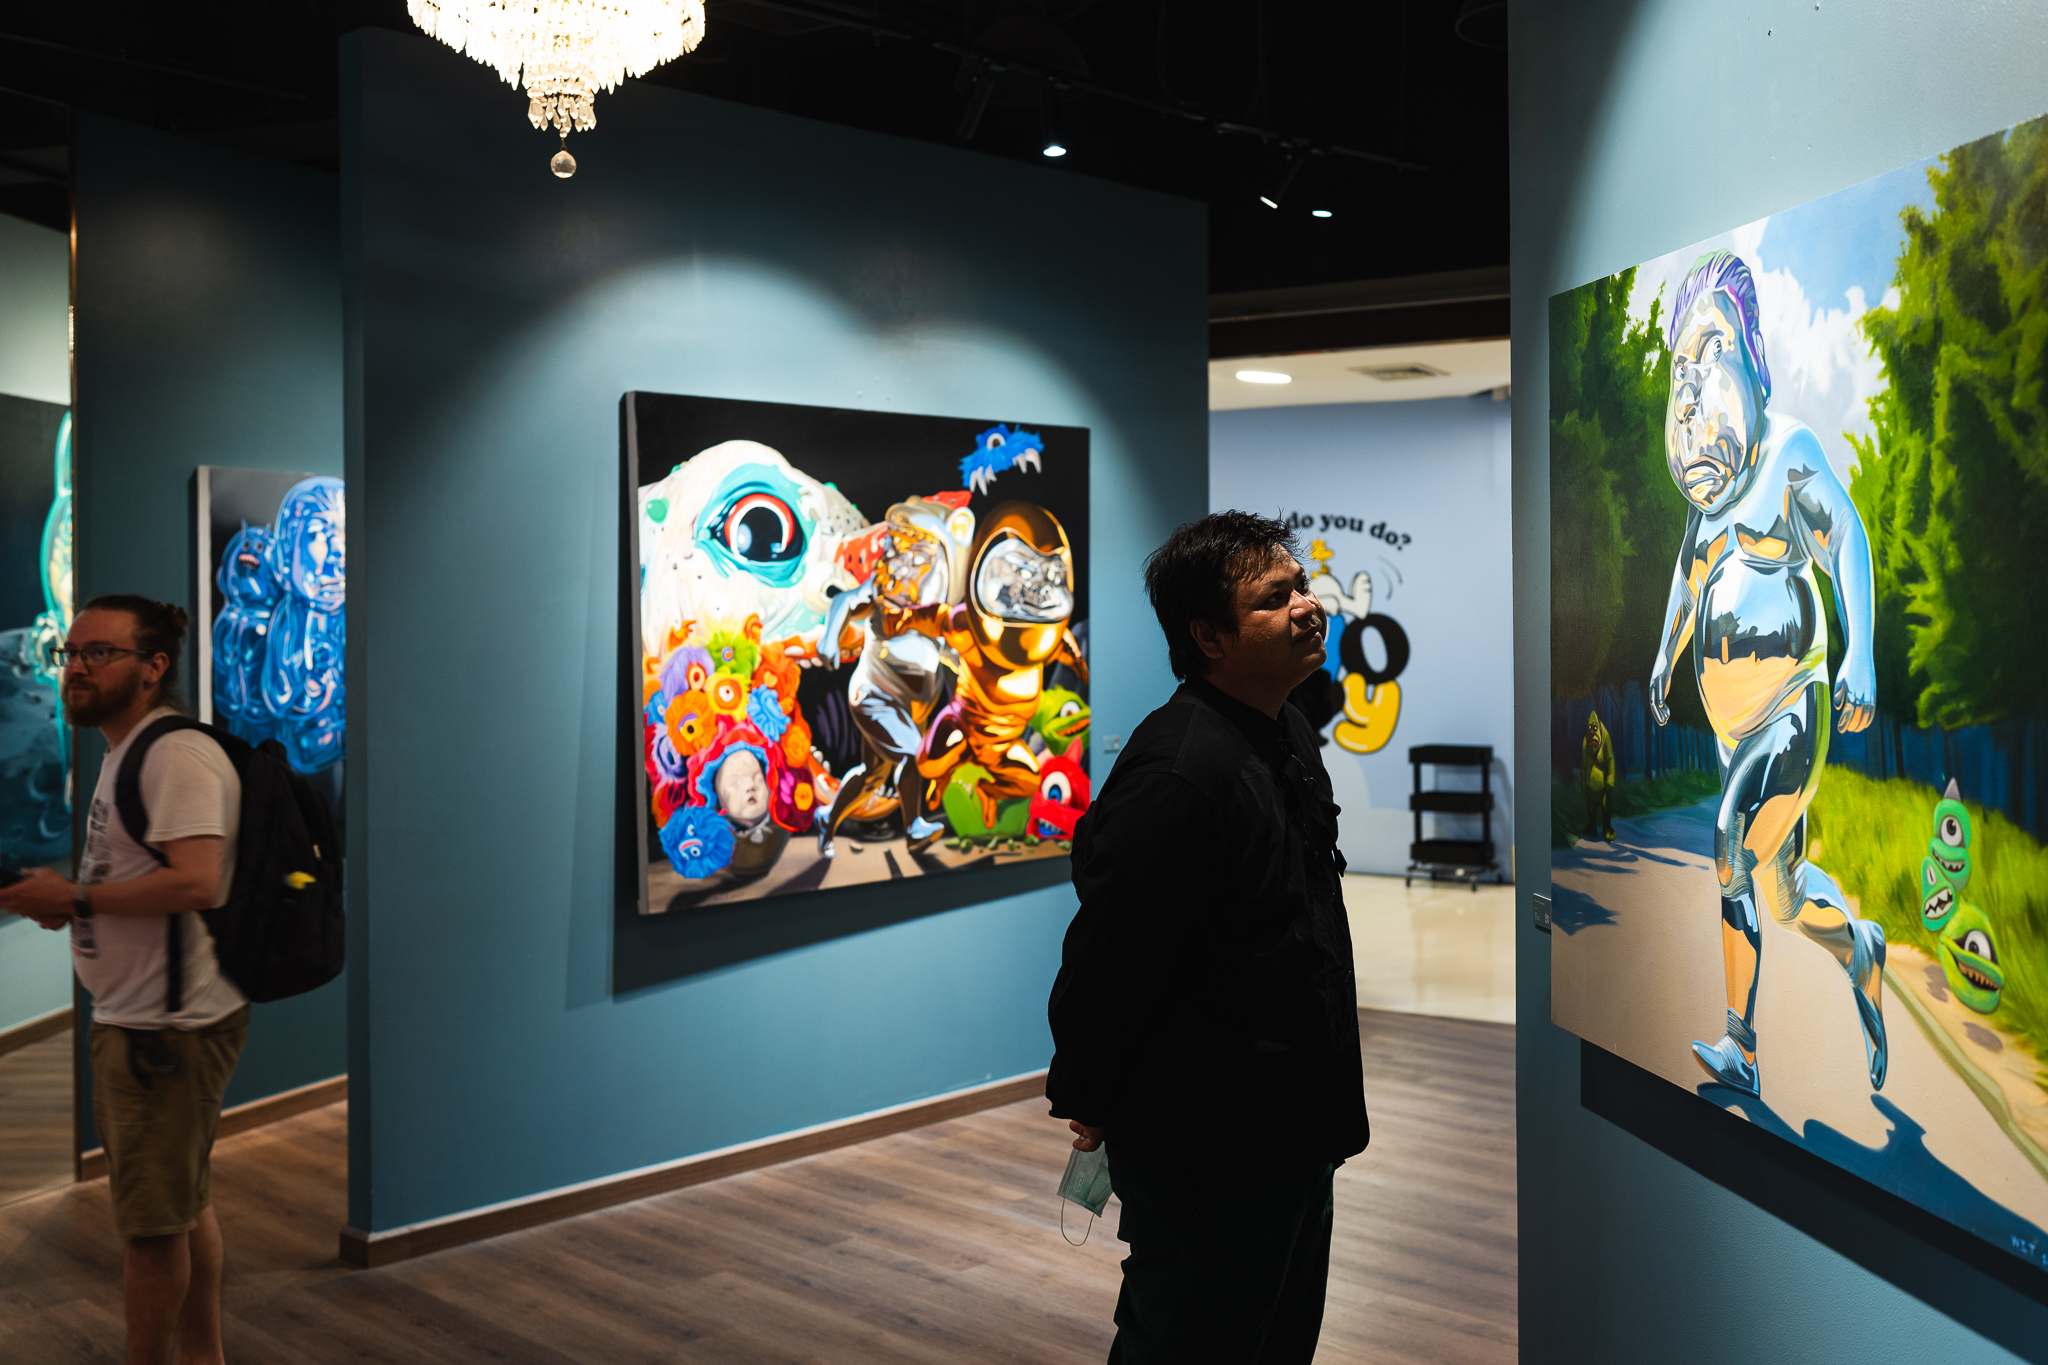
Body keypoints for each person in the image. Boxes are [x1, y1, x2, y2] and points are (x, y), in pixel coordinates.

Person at [1046, 511, 1368, 1364]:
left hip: (1297, 1131)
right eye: (1275, 597)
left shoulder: (1284, 727)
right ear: (1209, 636)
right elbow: (1111, 953)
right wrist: (1090, 1089)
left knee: (1277, 1342)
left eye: (1302, 586)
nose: (1307, 605)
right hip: (1213, 1149)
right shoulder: (1180, 771)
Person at [1646, 249, 1884, 1097]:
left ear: (1751, 358)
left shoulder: (1787, 452)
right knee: (1780, 894)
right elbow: (1687, 578)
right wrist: (1665, 654)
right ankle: (1860, 946)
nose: (1693, 380)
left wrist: (1861, 654)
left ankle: (1741, 1047)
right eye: (1683, 363)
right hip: (1730, 730)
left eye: (1711, 349)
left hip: (1791, 706)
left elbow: (1846, 537)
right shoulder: (1707, 500)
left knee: (1727, 846)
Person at [0, 595, 248, 1365]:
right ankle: (203, 1355)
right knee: (183, 1203)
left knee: (152, 1229)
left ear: (153, 667)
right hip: (142, 1019)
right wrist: (73, 906)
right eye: (71, 653)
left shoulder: (175, 755)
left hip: (163, 1033)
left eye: (99, 653)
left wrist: (76, 898)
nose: (76, 667)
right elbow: (141, 877)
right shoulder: (123, 750)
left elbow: (199, 881)